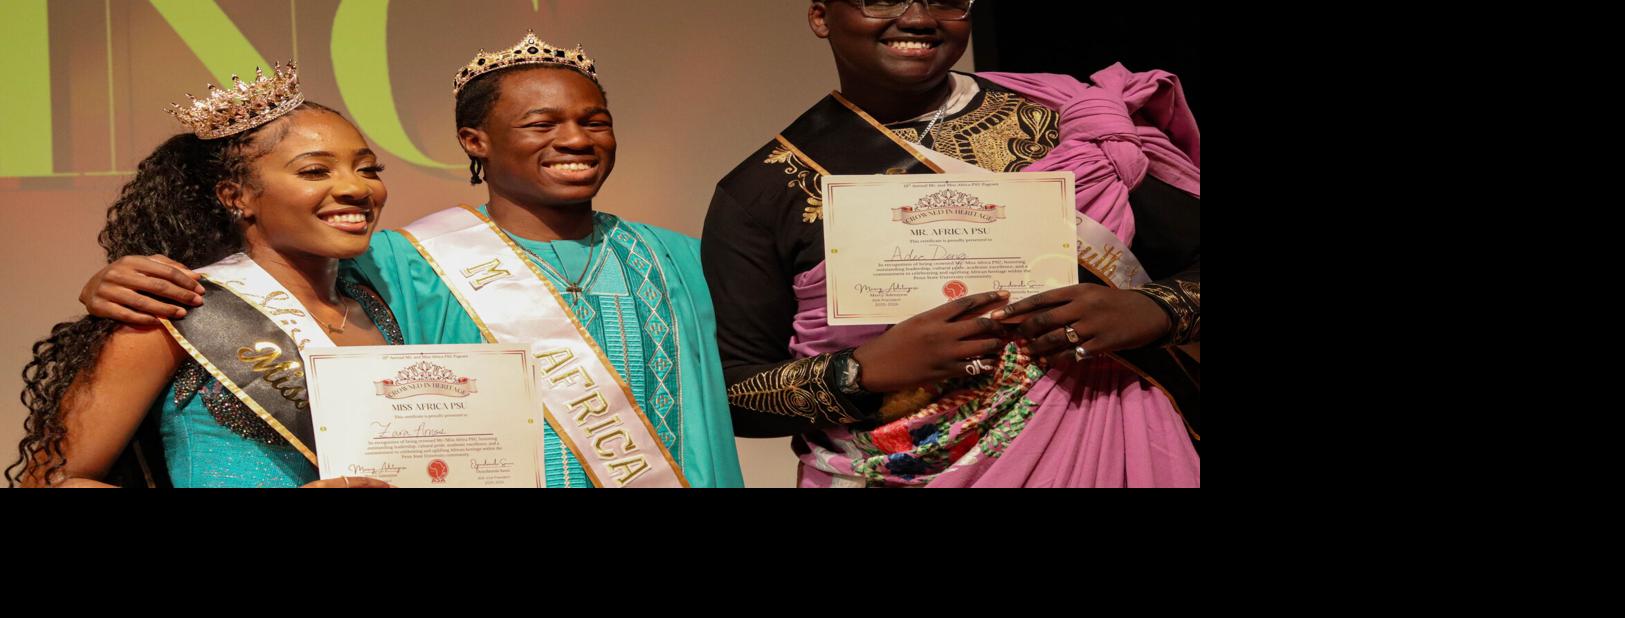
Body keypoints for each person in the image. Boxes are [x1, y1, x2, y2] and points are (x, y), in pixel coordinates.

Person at [77, 34, 742, 489]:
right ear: (474, 141)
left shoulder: (682, 256)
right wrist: (111, 281)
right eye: (541, 124)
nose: (573, 138)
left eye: (367, 169)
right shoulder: (405, 264)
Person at [702, 0, 1201, 487]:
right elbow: (732, 395)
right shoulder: (764, 189)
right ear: (821, 15)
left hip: (1103, 444)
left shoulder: (1067, 128)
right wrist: (860, 372)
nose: (918, 18)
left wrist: (1154, 310)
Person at [8, 64, 400, 488]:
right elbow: (49, 480)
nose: (358, 189)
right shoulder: (176, 309)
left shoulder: (376, 308)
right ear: (236, 196)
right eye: (314, 171)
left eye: (368, 169)